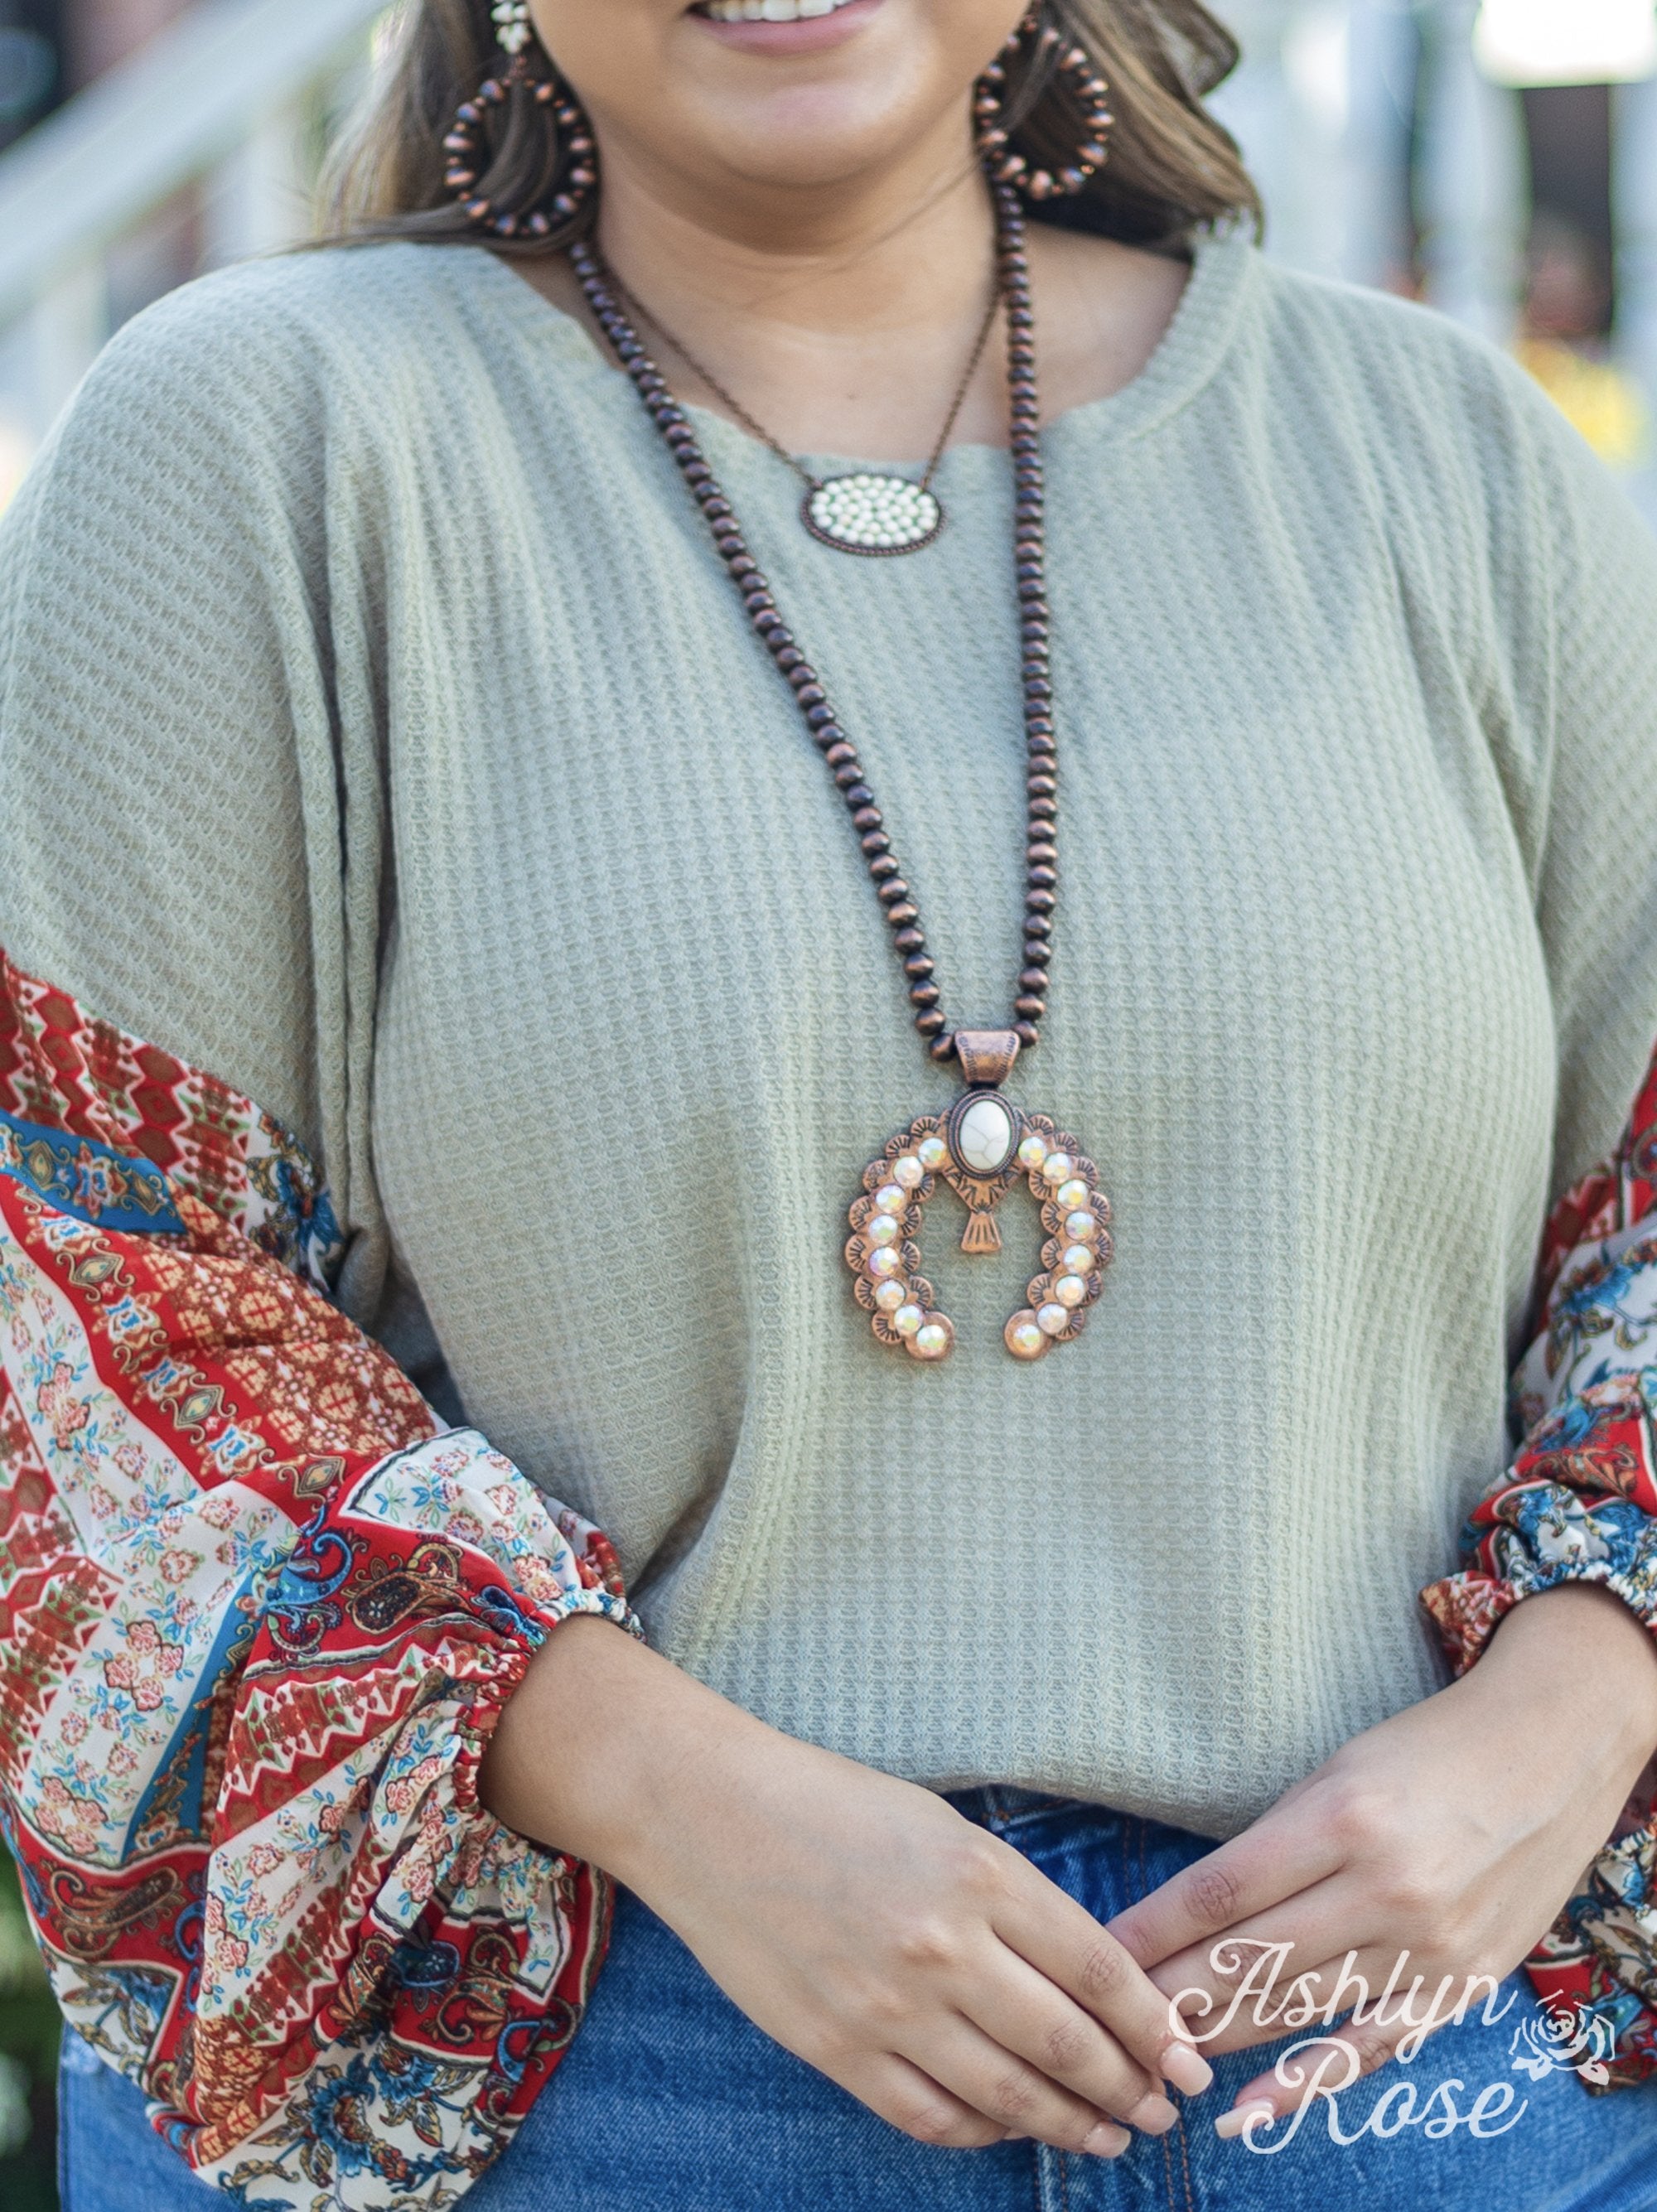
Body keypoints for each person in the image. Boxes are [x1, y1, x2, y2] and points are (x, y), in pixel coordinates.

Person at [6, 2, 1657, 2206]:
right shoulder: (262, 443)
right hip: (594, 2080)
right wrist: (678, 1795)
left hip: (1419, 2084)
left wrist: (1570, 1708)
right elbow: (85, 1284)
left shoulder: (1458, 462)